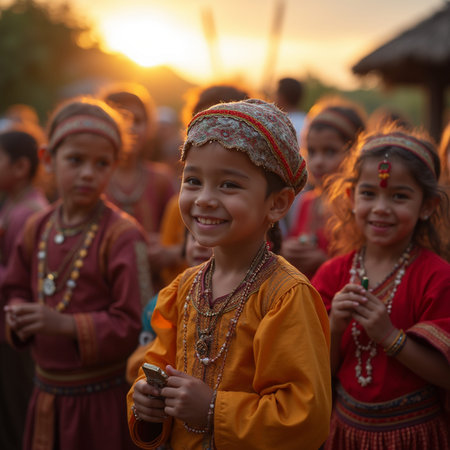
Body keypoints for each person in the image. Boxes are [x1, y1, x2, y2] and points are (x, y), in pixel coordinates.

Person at [127, 99, 332, 449]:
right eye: (193, 180)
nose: (204, 198)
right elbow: (150, 363)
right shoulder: (182, 289)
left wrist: (212, 408)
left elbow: (304, 415)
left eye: (228, 185)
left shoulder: (285, 296)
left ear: (278, 203)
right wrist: (145, 399)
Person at [2, 97, 152, 450]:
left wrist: (63, 325)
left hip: (100, 403)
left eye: (102, 163)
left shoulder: (123, 235)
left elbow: (136, 323)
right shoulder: (37, 227)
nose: (88, 173)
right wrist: (19, 313)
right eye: (75, 160)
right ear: (47, 160)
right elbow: (15, 287)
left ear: (114, 166)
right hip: (45, 393)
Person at [312, 126, 450, 449]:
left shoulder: (437, 277)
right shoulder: (332, 274)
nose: (381, 208)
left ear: (427, 206)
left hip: (415, 435)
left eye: (399, 196)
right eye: (369, 193)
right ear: (351, 197)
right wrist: (334, 329)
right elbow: (320, 374)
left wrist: (391, 337)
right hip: (346, 432)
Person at [157, 84, 251, 287]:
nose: (211, 135)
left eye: (228, 184)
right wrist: (184, 251)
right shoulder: (179, 206)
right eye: (193, 181)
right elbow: (167, 270)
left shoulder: (254, 207)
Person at [0, 127, 49, 450]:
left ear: (20, 168)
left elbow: (22, 278)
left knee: (15, 409)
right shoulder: (14, 206)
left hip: (17, 329)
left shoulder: (28, 214)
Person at [282, 97, 366, 278]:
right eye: (311, 152)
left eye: (330, 151)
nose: (318, 162)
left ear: (356, 153)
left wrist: (325, 262)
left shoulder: (358, 207)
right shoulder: (307, 202)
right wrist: (287, 250)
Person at [126, 229, 212, 385]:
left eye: (211, 240)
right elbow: (140, 363)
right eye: (193, 238)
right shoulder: (164, 301)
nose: (200, 245)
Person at [274, 77, 306, 146]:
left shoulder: (280, 125)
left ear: (281, 97)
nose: (273, 97)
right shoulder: (308, 121)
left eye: (275, 93)